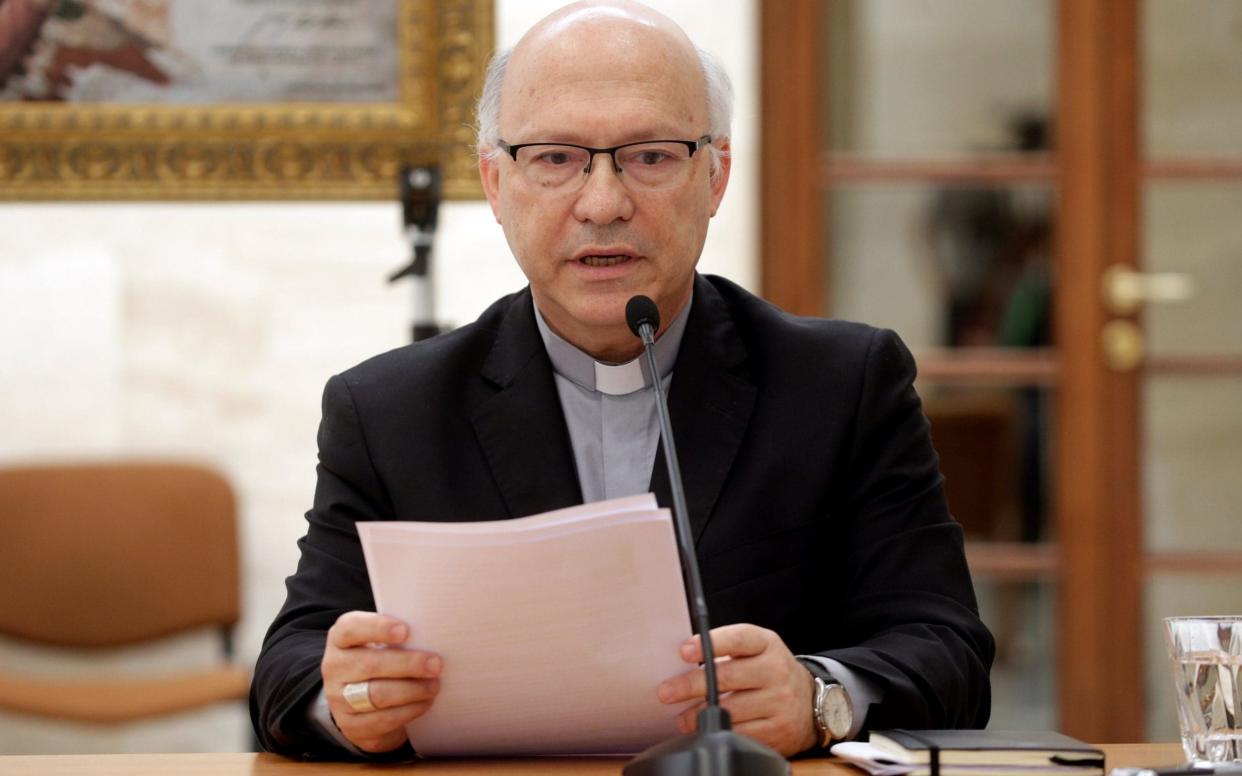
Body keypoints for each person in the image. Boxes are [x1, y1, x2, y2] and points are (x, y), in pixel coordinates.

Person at [250, 0, 994, 761]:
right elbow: (287, 671)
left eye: (650, 155)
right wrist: (349, 702)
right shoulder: (388, 411)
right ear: (496, 184)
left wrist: (819, 696)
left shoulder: (841, 385)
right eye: (555, 157)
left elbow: (950, 654)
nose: (602, 203)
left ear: (715, 176)